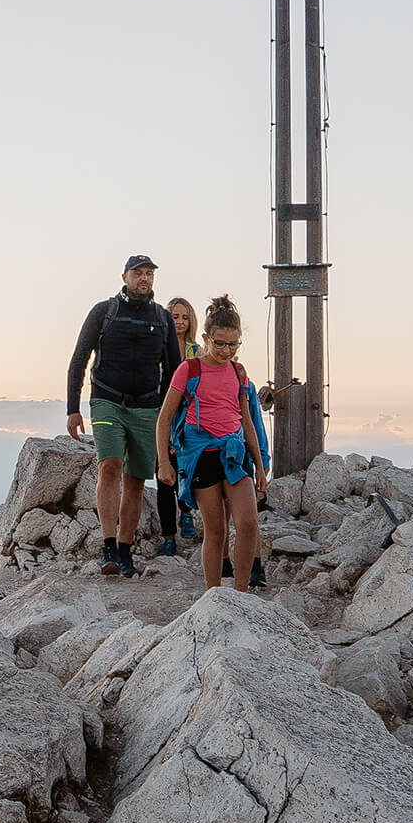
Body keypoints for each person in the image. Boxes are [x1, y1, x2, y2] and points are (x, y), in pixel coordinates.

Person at [66, 254, 181, 576]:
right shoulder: (104, 312)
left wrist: (170, 417)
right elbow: (79, 359)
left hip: (147, 406)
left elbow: (173, 371)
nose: (144, 279)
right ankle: (107, 546)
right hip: (106, 399)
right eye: (138, 273)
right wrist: (73, 409)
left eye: (149, 274)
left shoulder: (162, 318)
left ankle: (125, 550)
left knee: (136, 480)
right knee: (110, 466)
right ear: (125, 276)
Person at [157, 294, 270, 592]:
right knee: (216, 530)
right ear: (206, 338)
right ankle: (213, 596)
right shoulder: (189, 369)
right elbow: (165, 417)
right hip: (201, 456)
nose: (226, 350)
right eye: (219, 343)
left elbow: (248, 422)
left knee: (247, 523)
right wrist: (165, 462)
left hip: (234, 452)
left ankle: (241, 594)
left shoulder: (239, 372)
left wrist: (260, 466)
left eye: (233, 344)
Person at [164, 297, 200, 545]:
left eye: (184, 317)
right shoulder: (157, 348)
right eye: (175, 316)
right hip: (163, 413)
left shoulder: (196, 351)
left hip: (188, 417)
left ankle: (186, 511)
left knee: (185, 466)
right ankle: (168, 536)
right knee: (164, 470)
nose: (179, 321)